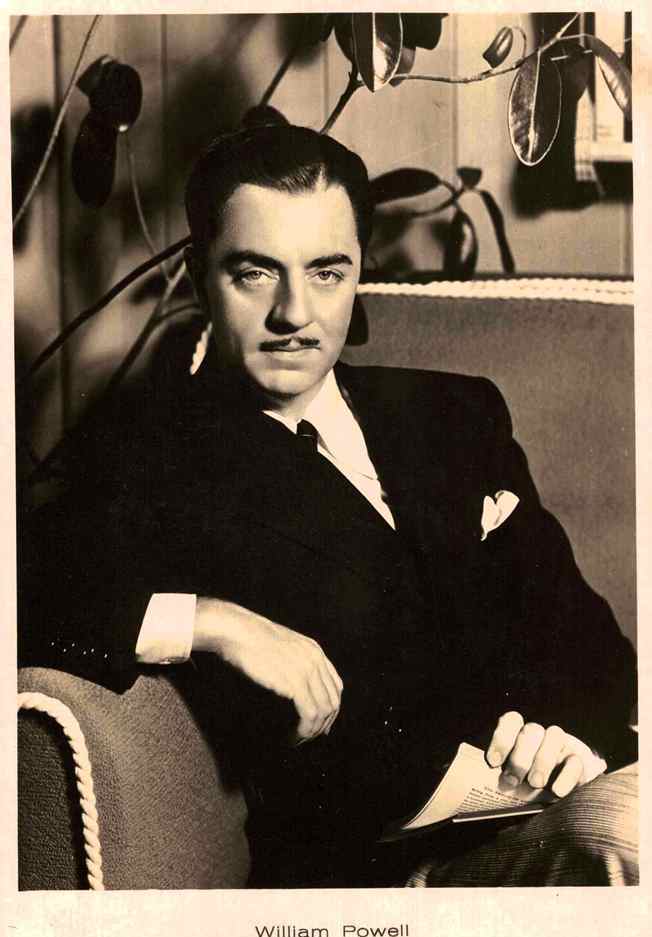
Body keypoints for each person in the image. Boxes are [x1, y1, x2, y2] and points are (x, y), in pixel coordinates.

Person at [21, 124, 638, 887]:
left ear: (358, 274)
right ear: (200, 277)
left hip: (570, 796)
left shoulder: (456, 412)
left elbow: (591, 645)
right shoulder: (152, 454)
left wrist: (569, 738)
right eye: (255, 273)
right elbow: (27, 582)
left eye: (326, 272)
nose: (295, 313)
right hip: (387, 873)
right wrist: (214, 622)